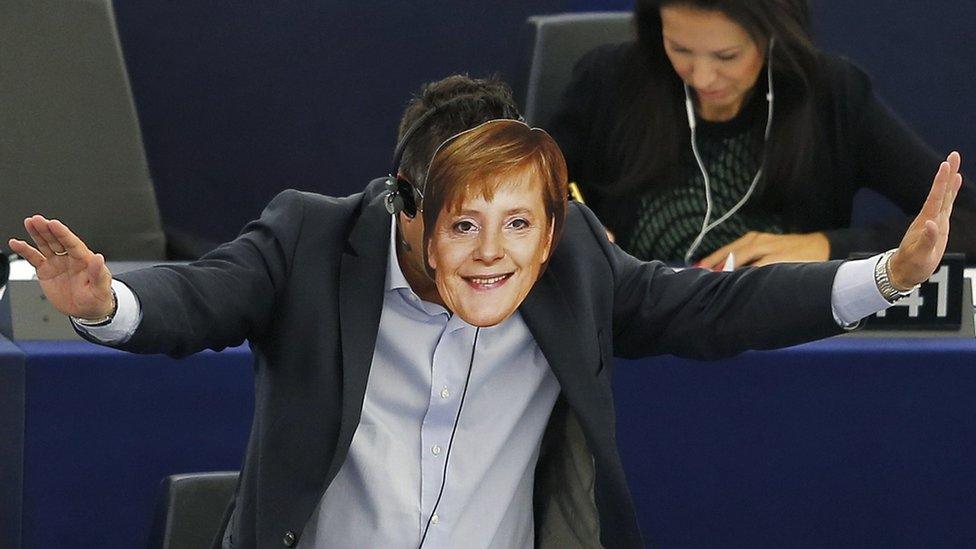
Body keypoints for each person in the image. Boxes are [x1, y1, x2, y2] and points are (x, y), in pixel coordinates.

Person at [7, 72, 963, 548]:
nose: (497, 253)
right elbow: (200, 298)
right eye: (466, 221)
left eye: (520, 219)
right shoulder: (311, 241)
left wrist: (883, 276)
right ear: (405, 205)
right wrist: (109, 303)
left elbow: (714, 309)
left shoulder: (568, 258)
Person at [547, 0, 976, 269]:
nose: (702, 75)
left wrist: (825, 246)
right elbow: (523, 191)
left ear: (772, 32)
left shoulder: (830, 94)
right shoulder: (609, 79)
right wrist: (562, 226)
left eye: (727, 56)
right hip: (628, 331)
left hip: (783, 337)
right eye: (679, 49)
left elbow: (965, 221)